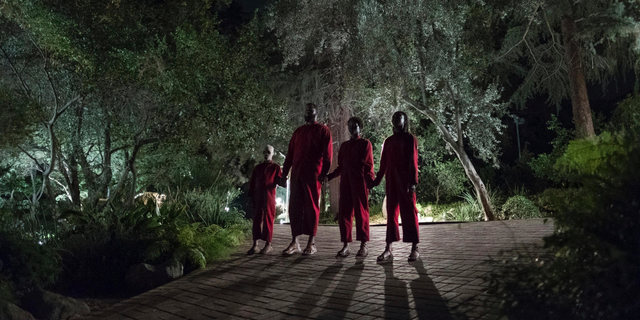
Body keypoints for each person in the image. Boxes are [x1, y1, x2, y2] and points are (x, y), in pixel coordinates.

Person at [280, 103, 333, 256]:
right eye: (306, 110)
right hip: (296, 174)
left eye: (310, 110)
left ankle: (311, 242)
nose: (308, 112)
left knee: (311, 207)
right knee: (295, 207)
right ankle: (295, 242)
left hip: (312, 175)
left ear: (317, 112)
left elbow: (327, 155)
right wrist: (284, 174)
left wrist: (323, 173)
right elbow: (290, 154)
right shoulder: (298, 132)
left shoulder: (323, 130)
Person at [372, 111, 420, 262]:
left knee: (410, 213)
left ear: (405, 120)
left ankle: (415, 248)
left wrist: (413, 181)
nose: (396, 119)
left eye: (399, 117)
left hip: (405, 181)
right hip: (391, 181)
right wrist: (376, 181)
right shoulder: (388, 141)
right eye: (393, 117)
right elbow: (383, 164)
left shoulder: (409, 138)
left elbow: (413, 161)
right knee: (391, 214)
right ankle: (388, 249)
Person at [327, 117, 375, 258]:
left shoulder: (365, 143)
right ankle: (346, 245)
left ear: (360, 127)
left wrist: (370, 181)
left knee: (361, 214)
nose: (352, 127)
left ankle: (363, 245)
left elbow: (368, 166)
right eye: (350, 125)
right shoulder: (345, 146)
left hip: (359, 183)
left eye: (355, 125)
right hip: (346, 183)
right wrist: (330, 176)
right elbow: (341, 167)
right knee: (344, 214)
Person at [247, 145, 282, 255]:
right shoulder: (258, 168)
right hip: (258, 196)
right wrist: (251, 196)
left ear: (272, 153)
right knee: (256, 218)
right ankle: (255, 244)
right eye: (265, 152)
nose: (266, 154)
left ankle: (268, 244)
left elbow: (280, 181)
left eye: (268, 152)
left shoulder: (276, 167)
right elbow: (252, 183)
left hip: (269, 196)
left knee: (268, 218)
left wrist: (284, 177)